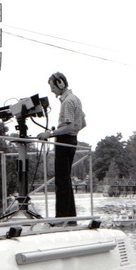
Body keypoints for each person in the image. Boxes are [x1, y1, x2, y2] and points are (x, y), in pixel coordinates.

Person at [37, 72, 86, 219]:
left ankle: (62, 218)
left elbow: (69, 126)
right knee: (65, 179)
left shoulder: (67, 102)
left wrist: (50, 133)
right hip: (72, 141)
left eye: (52, 86)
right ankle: (70, 218)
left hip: (64, 141)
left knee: (61, 180)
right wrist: (72, 133)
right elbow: (82, 123)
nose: (52, 90)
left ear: (60, 84)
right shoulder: (75, 99)